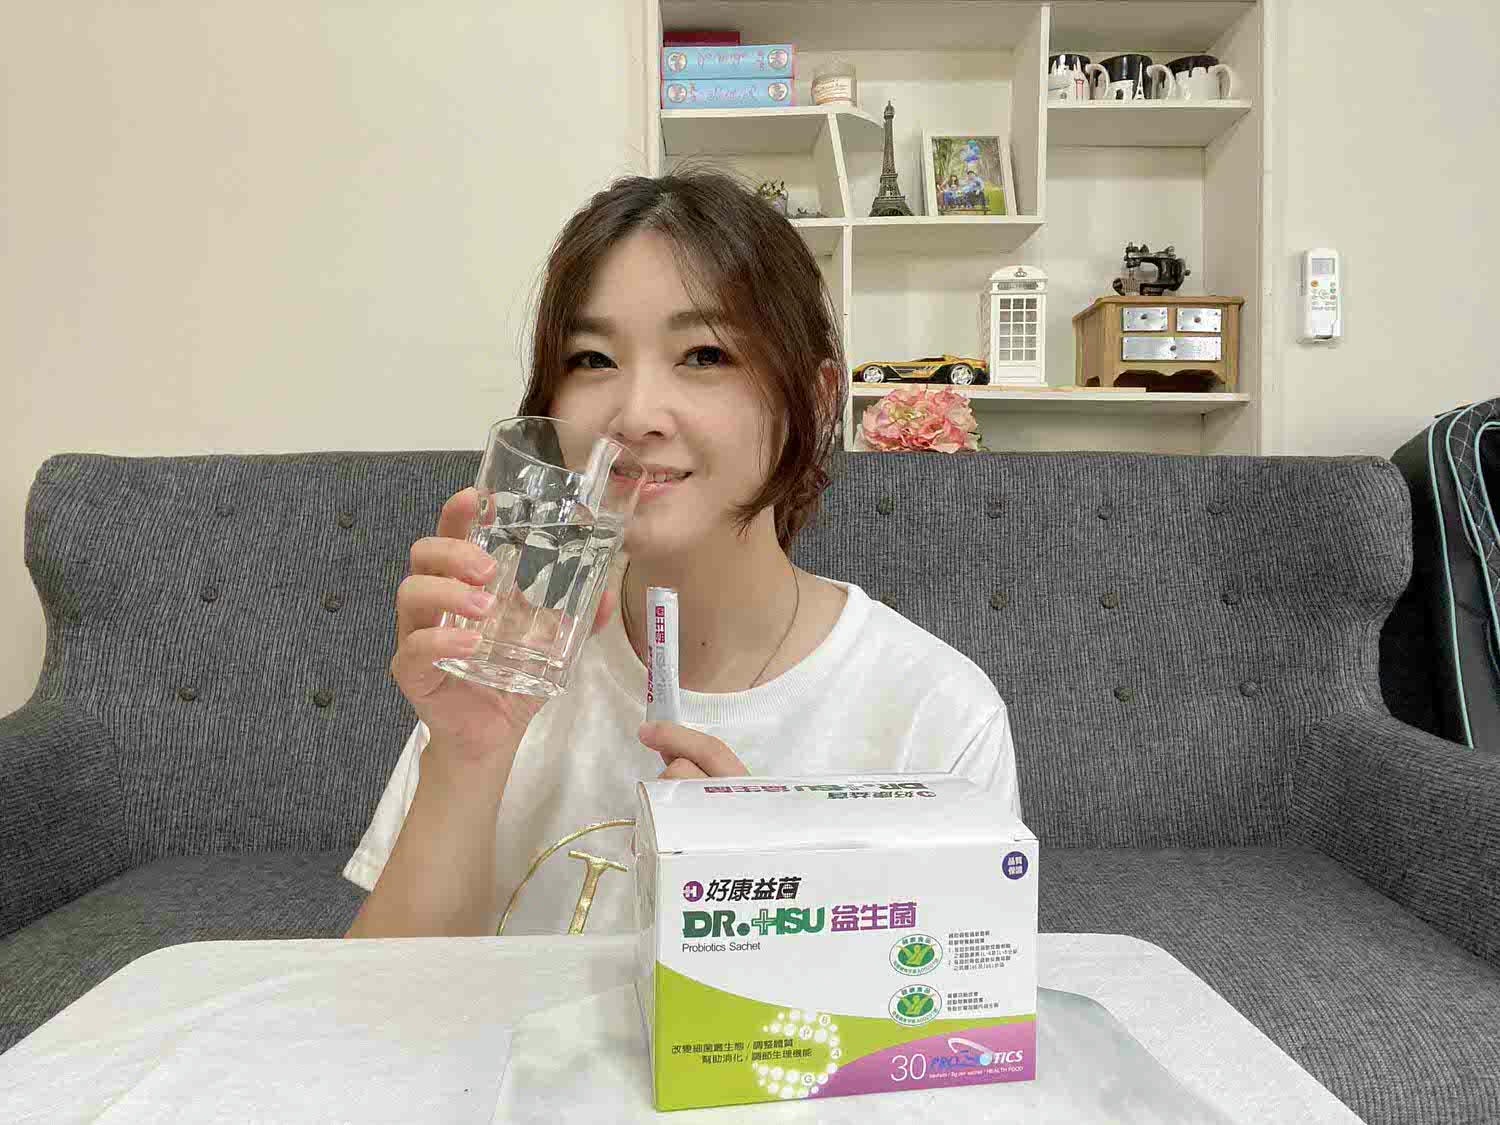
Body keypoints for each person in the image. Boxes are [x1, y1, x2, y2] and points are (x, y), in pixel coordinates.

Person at [342, 170, 1022, 939]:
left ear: (818, 398)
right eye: (592, 359)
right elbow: (381, 1001)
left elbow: (955, 1002)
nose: (635, 415)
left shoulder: (933, 716)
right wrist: (466, 758)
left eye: (703, 354)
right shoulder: (511, 658)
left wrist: (774, 914)